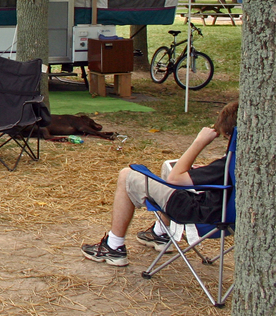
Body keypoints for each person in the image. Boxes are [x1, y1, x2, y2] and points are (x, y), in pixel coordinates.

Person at [81, 100, 238, 266]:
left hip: (198, 214)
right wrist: (205, 171)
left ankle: (113, 247)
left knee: (127, 175)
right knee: (168, 166)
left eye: (225, 138)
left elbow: (175, 179)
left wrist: (199, 142)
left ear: (231, 135)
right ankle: (161, 233)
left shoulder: (226, 164)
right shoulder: (240, 161)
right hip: (218, 211)